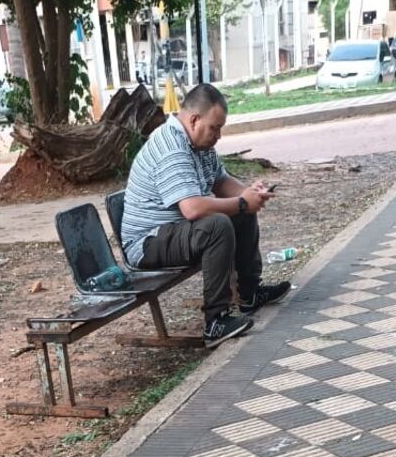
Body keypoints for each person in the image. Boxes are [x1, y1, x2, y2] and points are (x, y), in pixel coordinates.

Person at [121, 84, 292, 349]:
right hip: (147, 242)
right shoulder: (172, 148)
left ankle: (249, 294)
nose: (218, 136)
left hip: (173, 231)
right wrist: (242, 203)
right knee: (217, 225)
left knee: (240, 212)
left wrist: (248, 194)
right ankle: (215, 321)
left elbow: (220, 181)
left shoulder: (198, 144)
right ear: (194, 120)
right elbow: (193, 209)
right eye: (214, 128)